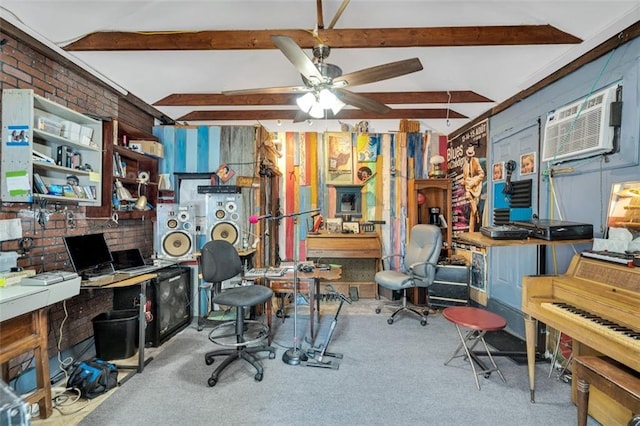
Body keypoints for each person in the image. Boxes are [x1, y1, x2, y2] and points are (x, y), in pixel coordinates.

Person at [462, 142, 485, 232]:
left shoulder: (475, 161)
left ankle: (475, 229)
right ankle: (471, 230)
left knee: (474, 210)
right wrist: (464, 182)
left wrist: (473, 182)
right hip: (468, 188)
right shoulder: (465, 164)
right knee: (471, 210)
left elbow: (481, 174)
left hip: (474, 188)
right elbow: (466, 176)